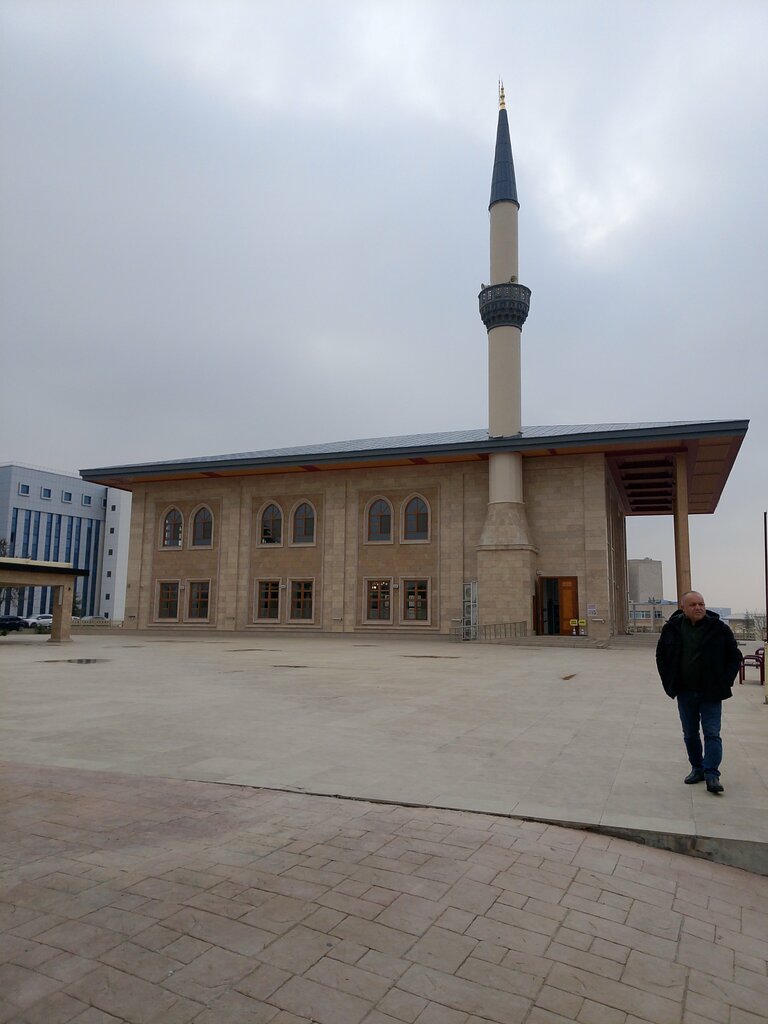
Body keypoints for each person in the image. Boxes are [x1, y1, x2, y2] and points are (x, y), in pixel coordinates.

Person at [655, 590, 741, 794]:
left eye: (701, 603)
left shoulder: (718, 628)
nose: (698, 607)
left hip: (711, 692)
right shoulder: (672, 629)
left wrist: (725, 680)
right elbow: (661, 656)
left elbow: (734, 656)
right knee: (690, 734)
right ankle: (697, 768)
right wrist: (669, 681)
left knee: (712, 733)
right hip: (685, 691)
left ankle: (712, 774)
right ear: (683, 608)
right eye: (693, 604)